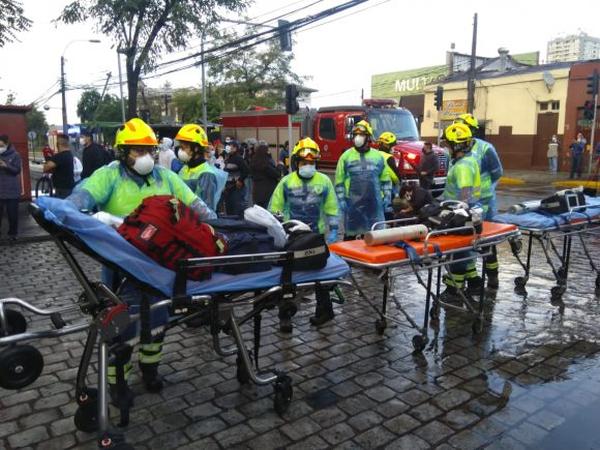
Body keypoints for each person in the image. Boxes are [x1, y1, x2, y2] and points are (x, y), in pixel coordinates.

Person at [66, 118, 216, 404]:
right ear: (123, 152)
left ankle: (150, 368)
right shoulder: (108, 176)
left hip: (160, 265)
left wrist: (214, 225)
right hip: (119, 267)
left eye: (148, 150)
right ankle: (117, 381)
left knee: (158, 318)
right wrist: (89, 218)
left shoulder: (165, 177)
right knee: (120, 327)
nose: (145, 157)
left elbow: (196, 207)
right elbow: (79, 201)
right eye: (137, 150)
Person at [269, 137, 339, 327]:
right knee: (287, 275)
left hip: (316, 236)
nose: (308, 165)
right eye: (304, 162)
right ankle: (285, 316)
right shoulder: (286, 182)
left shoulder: (324, 181)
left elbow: (332, 208)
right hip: (292, 238)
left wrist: (333, 230)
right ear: (296, 162)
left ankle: (325, 310)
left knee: (321, 275)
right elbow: (275, 209)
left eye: (311, 162)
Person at [453, 113, 503, 289]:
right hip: (466, 202)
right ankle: (472, 277)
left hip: (485, 202)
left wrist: (485, 189)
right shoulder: (458, 148)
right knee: (467, 241)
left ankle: (492, 276)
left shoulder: (485, 149)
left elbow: (497, 172)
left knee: (486, 239)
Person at [440, 122, 481, 301]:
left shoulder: (462, 166)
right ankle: (474, 282)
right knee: (466, 252)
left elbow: (464, 195)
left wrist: (452, 215)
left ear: (457, 145)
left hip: (462, 215)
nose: (446, 148)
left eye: (448, 144)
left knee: (457, 253)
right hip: (469, 213)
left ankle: (453, 289)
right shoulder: (468, 160)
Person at [335, 120, 391, 239]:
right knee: (351, 239)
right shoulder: (346, 157)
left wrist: (387, 197)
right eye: (356, 135)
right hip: (353, 205)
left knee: (376, 237)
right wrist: (341, 200)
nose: (358, 138)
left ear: (368, 138)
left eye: (361, 135)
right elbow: (339, 181)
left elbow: (385, 179)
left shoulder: (378, 156)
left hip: (374, 204)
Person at [175, 124, 220, 212]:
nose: (180, 151)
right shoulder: (184, 168)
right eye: (180, 147)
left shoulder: (206, 174)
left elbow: (207, 210)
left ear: (195, 148)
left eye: (184, 147)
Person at [0, 134, 22, 241]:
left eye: (1, 145)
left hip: (12, 190)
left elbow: (17, 170)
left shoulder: (15, 155)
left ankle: (13, 234)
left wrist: (6, 165)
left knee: (12, 214)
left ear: (6, 143)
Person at [43, 134, 75, 199]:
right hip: (69, 186)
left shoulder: (60, 156)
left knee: (61, 207)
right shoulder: (69, 154)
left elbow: (46, 168)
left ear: (58, 144)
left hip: (62, 189)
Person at [223, 140, 249, 217]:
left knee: (237, 208)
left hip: (236, 188)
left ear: (235, 148)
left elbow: (246, 170)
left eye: (230, 145)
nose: (228, 147)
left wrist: (240, 180)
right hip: (228, 188)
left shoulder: (238, 158)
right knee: (229, 208)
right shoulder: (228, 158)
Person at [250, 143, 280, 208]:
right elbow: (276, 174)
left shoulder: (253, 162)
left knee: (258, 213)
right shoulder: (266, 164)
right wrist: (280, 166)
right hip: (268, 191)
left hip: (256, 191)